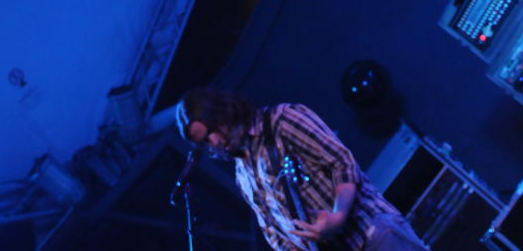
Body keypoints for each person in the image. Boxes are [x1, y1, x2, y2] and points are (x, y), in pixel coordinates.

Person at [175, 87, 428, 250]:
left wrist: (338, 216)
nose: (215, 141)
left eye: (212, 130)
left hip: (371, 236)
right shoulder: (243, 175)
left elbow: (342, 163)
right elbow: (276, 236)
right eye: (204, 141)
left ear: (224, 111)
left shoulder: (282, 121)